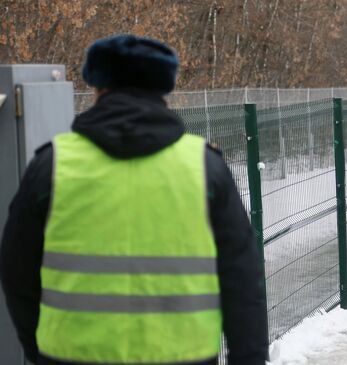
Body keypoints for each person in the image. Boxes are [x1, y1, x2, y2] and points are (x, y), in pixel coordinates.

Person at [0, 35, 269, 365]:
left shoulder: (51, 167)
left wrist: (39, 351)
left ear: (98, 88)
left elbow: (17, 275)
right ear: (163, 90)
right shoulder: (204, 167)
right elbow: (242, 278)